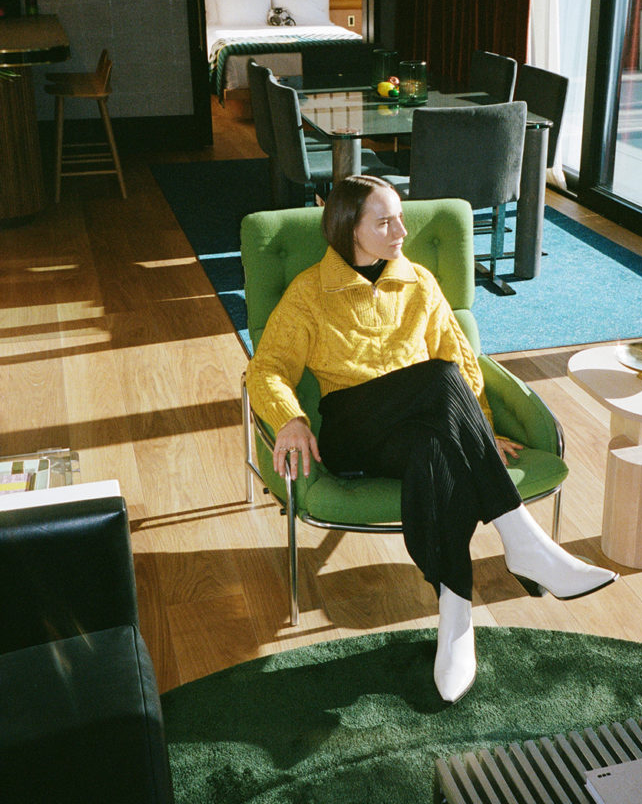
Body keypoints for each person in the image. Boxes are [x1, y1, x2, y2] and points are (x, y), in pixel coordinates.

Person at [246, 175, 617, 702]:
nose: (401, 230)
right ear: (349, 228)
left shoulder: (419, 281)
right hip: (353, 429)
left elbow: (460, 355)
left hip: (415, 429)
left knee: (433, 448)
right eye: (384, 222)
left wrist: (478, 427)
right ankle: (525, 543)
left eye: (400, 217)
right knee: (439, 378)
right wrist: (290, 418)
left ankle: (455, 616)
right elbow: (266, 369)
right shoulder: (309, 292)